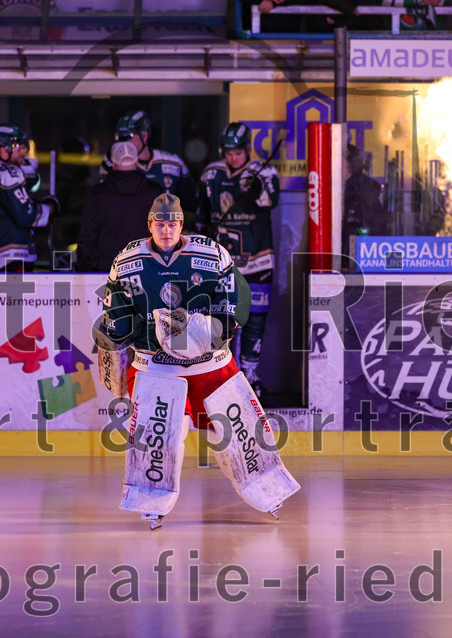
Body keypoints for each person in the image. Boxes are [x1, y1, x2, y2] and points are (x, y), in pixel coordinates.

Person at [94, 193, 299, 528]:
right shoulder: (127, 261)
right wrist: (113, 361)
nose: (166, 230)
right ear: (149, 225)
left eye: (172, 223)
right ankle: (150, 499)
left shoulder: (212, 253)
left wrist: (209, 333)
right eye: (159, 224)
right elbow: (115, 318)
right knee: (159, 435)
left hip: (211, 363)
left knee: (240, 428)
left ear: (181, 225)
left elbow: (234, 301)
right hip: (154, 365)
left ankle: (267, 488)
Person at [198, 122, 279, 396]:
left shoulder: (264, 170)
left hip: (258, 259)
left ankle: (251, 375)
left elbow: (272, 199)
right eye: (228, 152)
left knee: (255, 319)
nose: (232, 157)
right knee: (223, 320)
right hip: (222, 263)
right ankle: (225, 375)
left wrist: (257, 189)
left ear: (248, 149)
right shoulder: (211, 173)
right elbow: (201, 210)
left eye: (237, 152)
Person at [76, 141, 164, 273]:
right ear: (136, 162)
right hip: (146, 272)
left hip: (106, 273)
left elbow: (87, 239)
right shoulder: (155, 193)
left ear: (113, 164)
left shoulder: (97, 195)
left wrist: (83, 270)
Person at [0, 124, 55, 273]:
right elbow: (25, 214)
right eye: (18, 148)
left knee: (0, 297)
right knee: (14, 297)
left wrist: (25, 166)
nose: (23, 153)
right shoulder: (8, 173)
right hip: (11, 252)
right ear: (3, 149)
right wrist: (49, 208)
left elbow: (29, 182)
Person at [100, 110, 198, 223]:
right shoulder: (112, 163)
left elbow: (192, 205)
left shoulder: (173, 163)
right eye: (120, 139)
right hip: (129, 233)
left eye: (130, 137)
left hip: (164, 235)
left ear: (144, 136)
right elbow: (104, 205)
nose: (124, 144)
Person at [342, 144, 387, 263]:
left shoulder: (364, 192)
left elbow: (375, 230)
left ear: (349, 164)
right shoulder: (335, 190)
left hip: (358, 262)